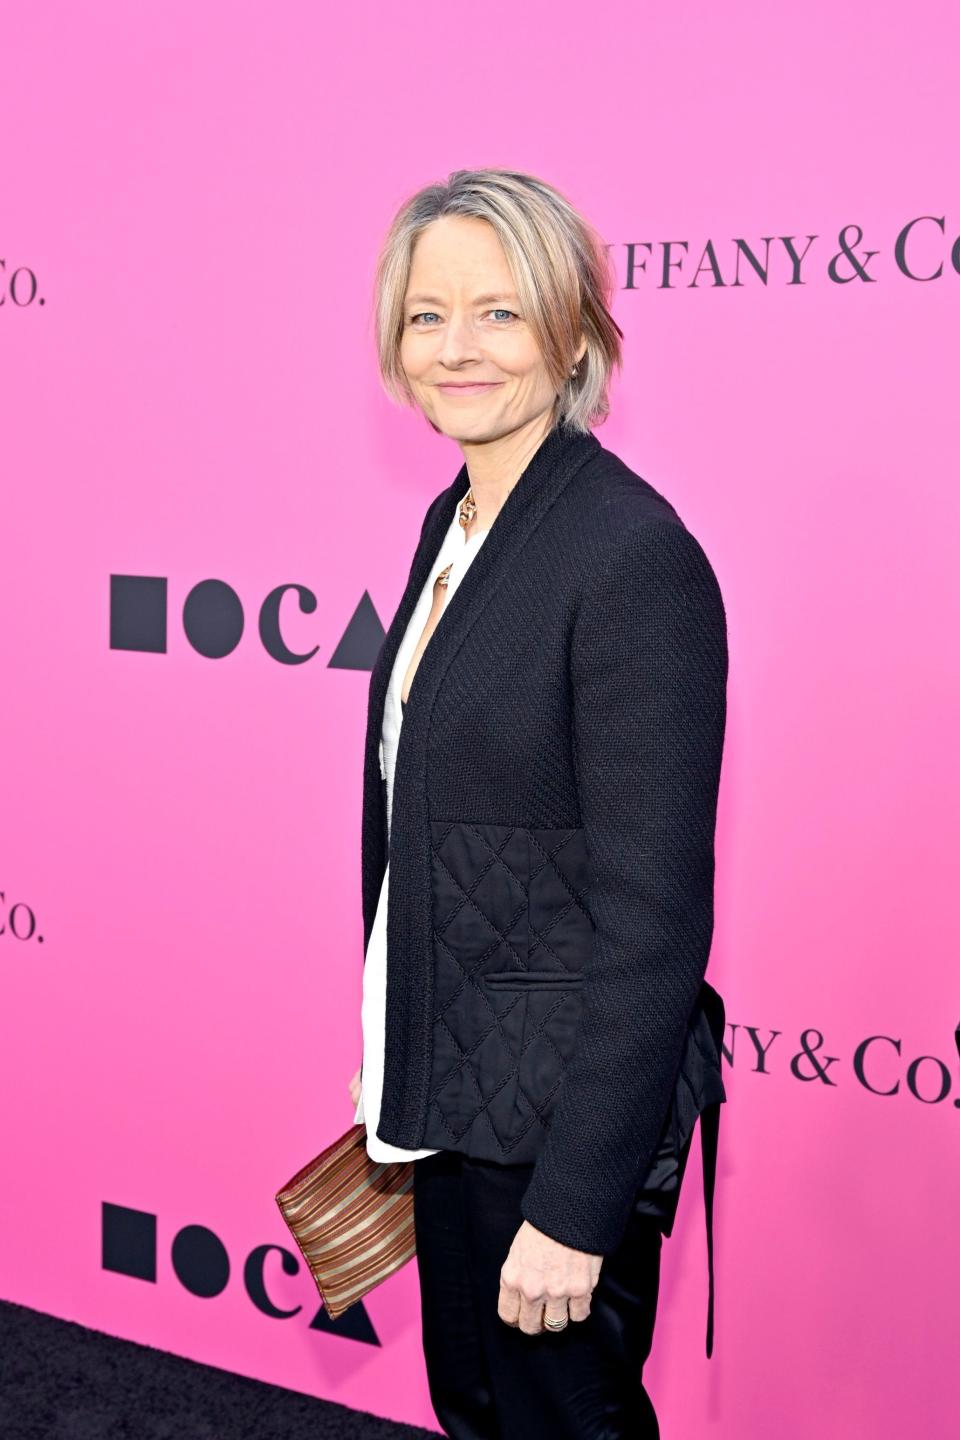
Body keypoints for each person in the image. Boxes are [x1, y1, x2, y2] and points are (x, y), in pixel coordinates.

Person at [347, 168, 729, 1439]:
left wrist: (575, 1205)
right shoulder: (459, 523)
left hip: (562, 1123)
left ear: (574, 334)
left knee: (562, 1422)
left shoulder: (630, 557)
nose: (457, 349)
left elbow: (656, 922)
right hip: (461, 1093)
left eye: (501, 314)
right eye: (427, 316)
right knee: (480, 1412)